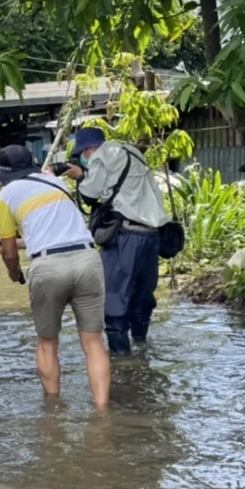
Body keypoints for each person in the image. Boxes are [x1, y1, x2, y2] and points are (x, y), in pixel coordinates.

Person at [0, 144, 110, 407]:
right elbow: (53, 228)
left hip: (48, 267)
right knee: (93, 342)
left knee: (47, 343)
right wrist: (25, 242)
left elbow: (9, 252)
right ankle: (102, 411)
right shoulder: (57, 184)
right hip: (87, 259)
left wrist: (15, 274)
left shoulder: (4, 197)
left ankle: (53, 410)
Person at [66, 127, 170, 355]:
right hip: (152, 235)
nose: (84, 159)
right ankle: (142, 348)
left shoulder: (102, 155)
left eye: (83, 154)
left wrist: (81, 177)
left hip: (126, 237)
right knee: (142, 296)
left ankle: (122, 361)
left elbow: (91, 194)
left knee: (114, 299)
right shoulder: (133, 152)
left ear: (90, 149)